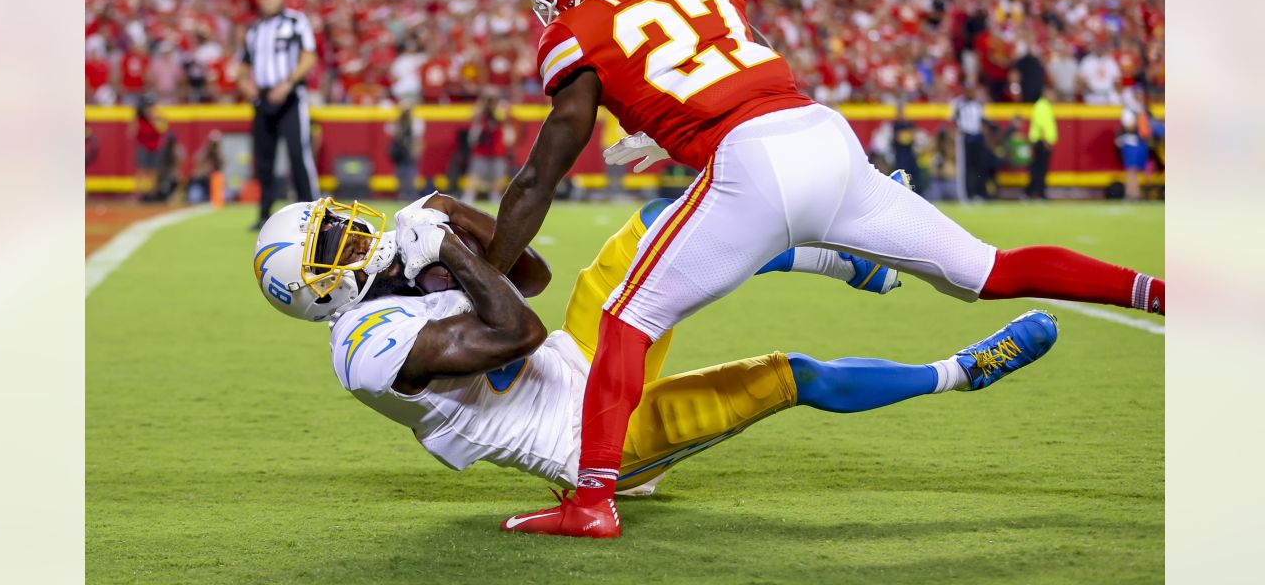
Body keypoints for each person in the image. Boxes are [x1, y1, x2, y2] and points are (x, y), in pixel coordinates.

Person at [484, 0, 1165, 538]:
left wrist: (491, 274)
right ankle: (1163, 294)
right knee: (986, 269)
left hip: (751, 163)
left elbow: (543, 172)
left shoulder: (577, 29)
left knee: (626, 321)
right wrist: (667, 126)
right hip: (822, 136)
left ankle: (594, 501)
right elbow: (735, 63)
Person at [251, 195, 1051, 508]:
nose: (351, 229)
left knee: (659, 231)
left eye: (334, 217)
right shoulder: (363, 345)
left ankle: (846, 259)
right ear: (315, 290)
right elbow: (513, 331)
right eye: (330, 241)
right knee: (785, 376)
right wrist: (452, 257)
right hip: (597, 441)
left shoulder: (399, 263)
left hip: (579, 354)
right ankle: (957, 375)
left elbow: (530, 272)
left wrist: (449, 219)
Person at [239, 0, 320, 230]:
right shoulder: (254, 30)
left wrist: (288, 83)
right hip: (263, 97)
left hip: (290, 95)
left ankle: (313, 213)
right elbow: (242, 68)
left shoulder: (296, 21)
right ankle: (265, 214)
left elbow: (309, 56)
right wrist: (249, 89)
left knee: (298, 154)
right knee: (264, 159)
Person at [950, 85, 988, 200]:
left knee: (978, 166)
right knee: (965, 167)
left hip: (977, 137)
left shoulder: (978, 105)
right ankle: (966, 194)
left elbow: (982, 121)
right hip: (965, 137)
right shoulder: (959, 104)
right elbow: (953, 120)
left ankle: (977, 192)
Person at [388, 104, 425, 201]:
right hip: (400, 151)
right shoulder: (398, 121)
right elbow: (390, 131)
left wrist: (416, 150)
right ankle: (403, 193)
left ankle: (411, 193)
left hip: (410, 149)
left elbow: (417, 137)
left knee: (410, 173)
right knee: (401, 173)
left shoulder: (415, 121)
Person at [1027, 96, 1058, 199]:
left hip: (1042, 141)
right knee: (1040, 169)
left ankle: (1033, 192)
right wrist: (1045, 140)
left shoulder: (1045, 106)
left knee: (1039, 168)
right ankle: (1038, 193)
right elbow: (1041, 124)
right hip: (1041, 142)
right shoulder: (1042, 106)